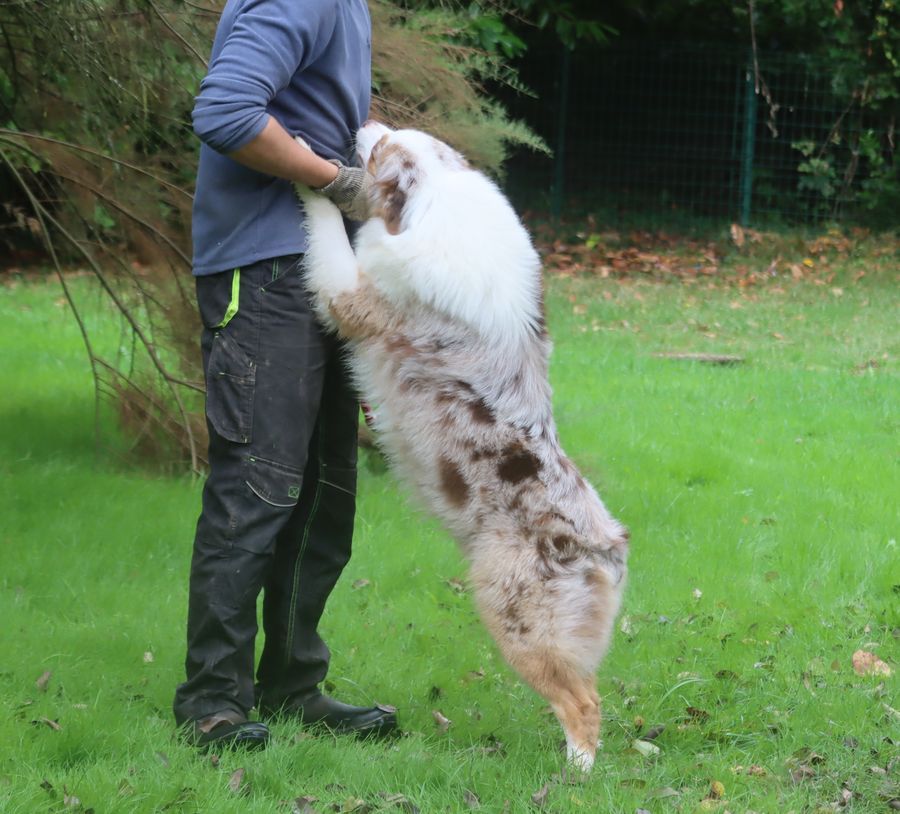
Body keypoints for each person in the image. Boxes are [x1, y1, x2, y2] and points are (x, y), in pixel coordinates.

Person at [172, 0, 397, 750]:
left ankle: (294, 684)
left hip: (326, 273)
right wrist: (335, 180)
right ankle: (213, 701)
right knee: (258, 490)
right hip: (263, 269)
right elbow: (227, 111)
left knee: (326, 497)